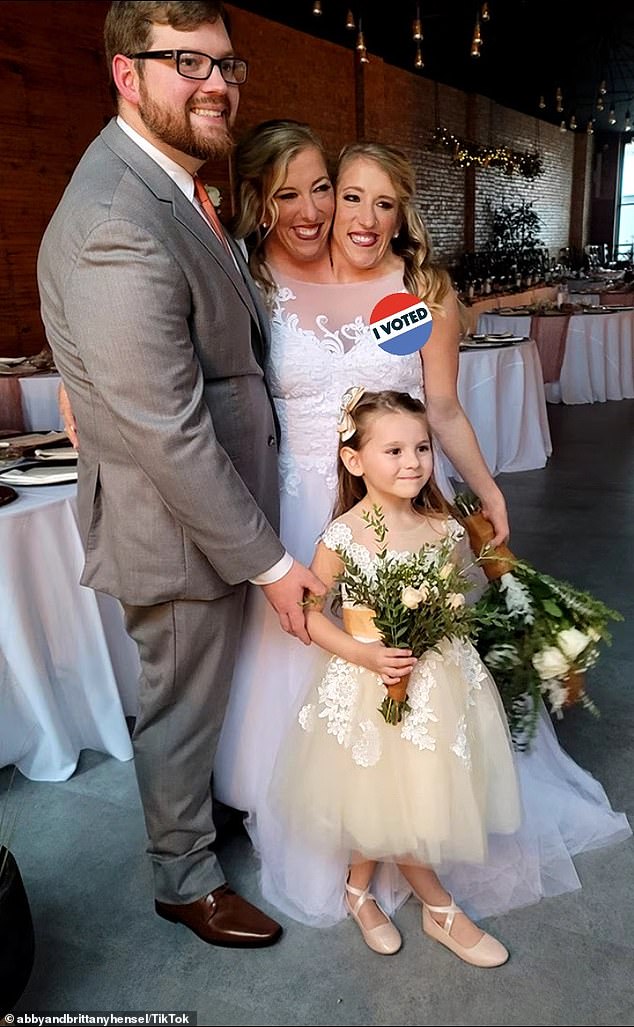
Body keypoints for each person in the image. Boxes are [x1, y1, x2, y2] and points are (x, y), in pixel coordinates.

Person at [215, 131, 630, 926]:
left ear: (404, 216)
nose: (361, 217)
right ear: (326, 197)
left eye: (384, 202)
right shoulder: (267, 281)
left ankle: (410, 812)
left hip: (405, 509)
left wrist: (484, 492)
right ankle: (325, 810)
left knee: (414, 666)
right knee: (308, 666)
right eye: (350, 195)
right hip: (303, 507)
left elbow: (441, 407)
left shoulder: (422, 292)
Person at [37, 1, 325, 948]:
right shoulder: (118, 218)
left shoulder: (173, 181)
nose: (219, 84)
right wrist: (275, 565)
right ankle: (184, 878)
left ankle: (206, 818)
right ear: (127, 72)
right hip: (174, 522)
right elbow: (166, 427)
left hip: (217, 508)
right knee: (179, 704)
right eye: (188, 64)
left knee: (209, 695)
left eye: (229, 64)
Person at [270, 388, 521, 967]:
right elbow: (310, 618)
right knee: (382, 788)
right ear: (355, 461)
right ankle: (439, 908)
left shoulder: (443, 527)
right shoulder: (343, 536)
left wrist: (443, 613)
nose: (413, 462)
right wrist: (365, 655)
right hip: (370, 684)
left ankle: (359, 889)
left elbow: (464, 594)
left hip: (440, 684)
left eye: (422, 448)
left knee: (399, 794)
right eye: (394, 450)